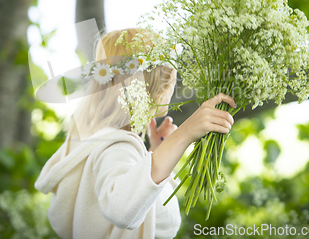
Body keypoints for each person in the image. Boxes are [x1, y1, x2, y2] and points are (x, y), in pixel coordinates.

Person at [35, 28, 236, 239]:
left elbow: (142, 203)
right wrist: (184, 134)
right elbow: (157, 221)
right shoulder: (118, 147)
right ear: (158, 87)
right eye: (171, 79)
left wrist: (157, 151)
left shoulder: (94, 141)